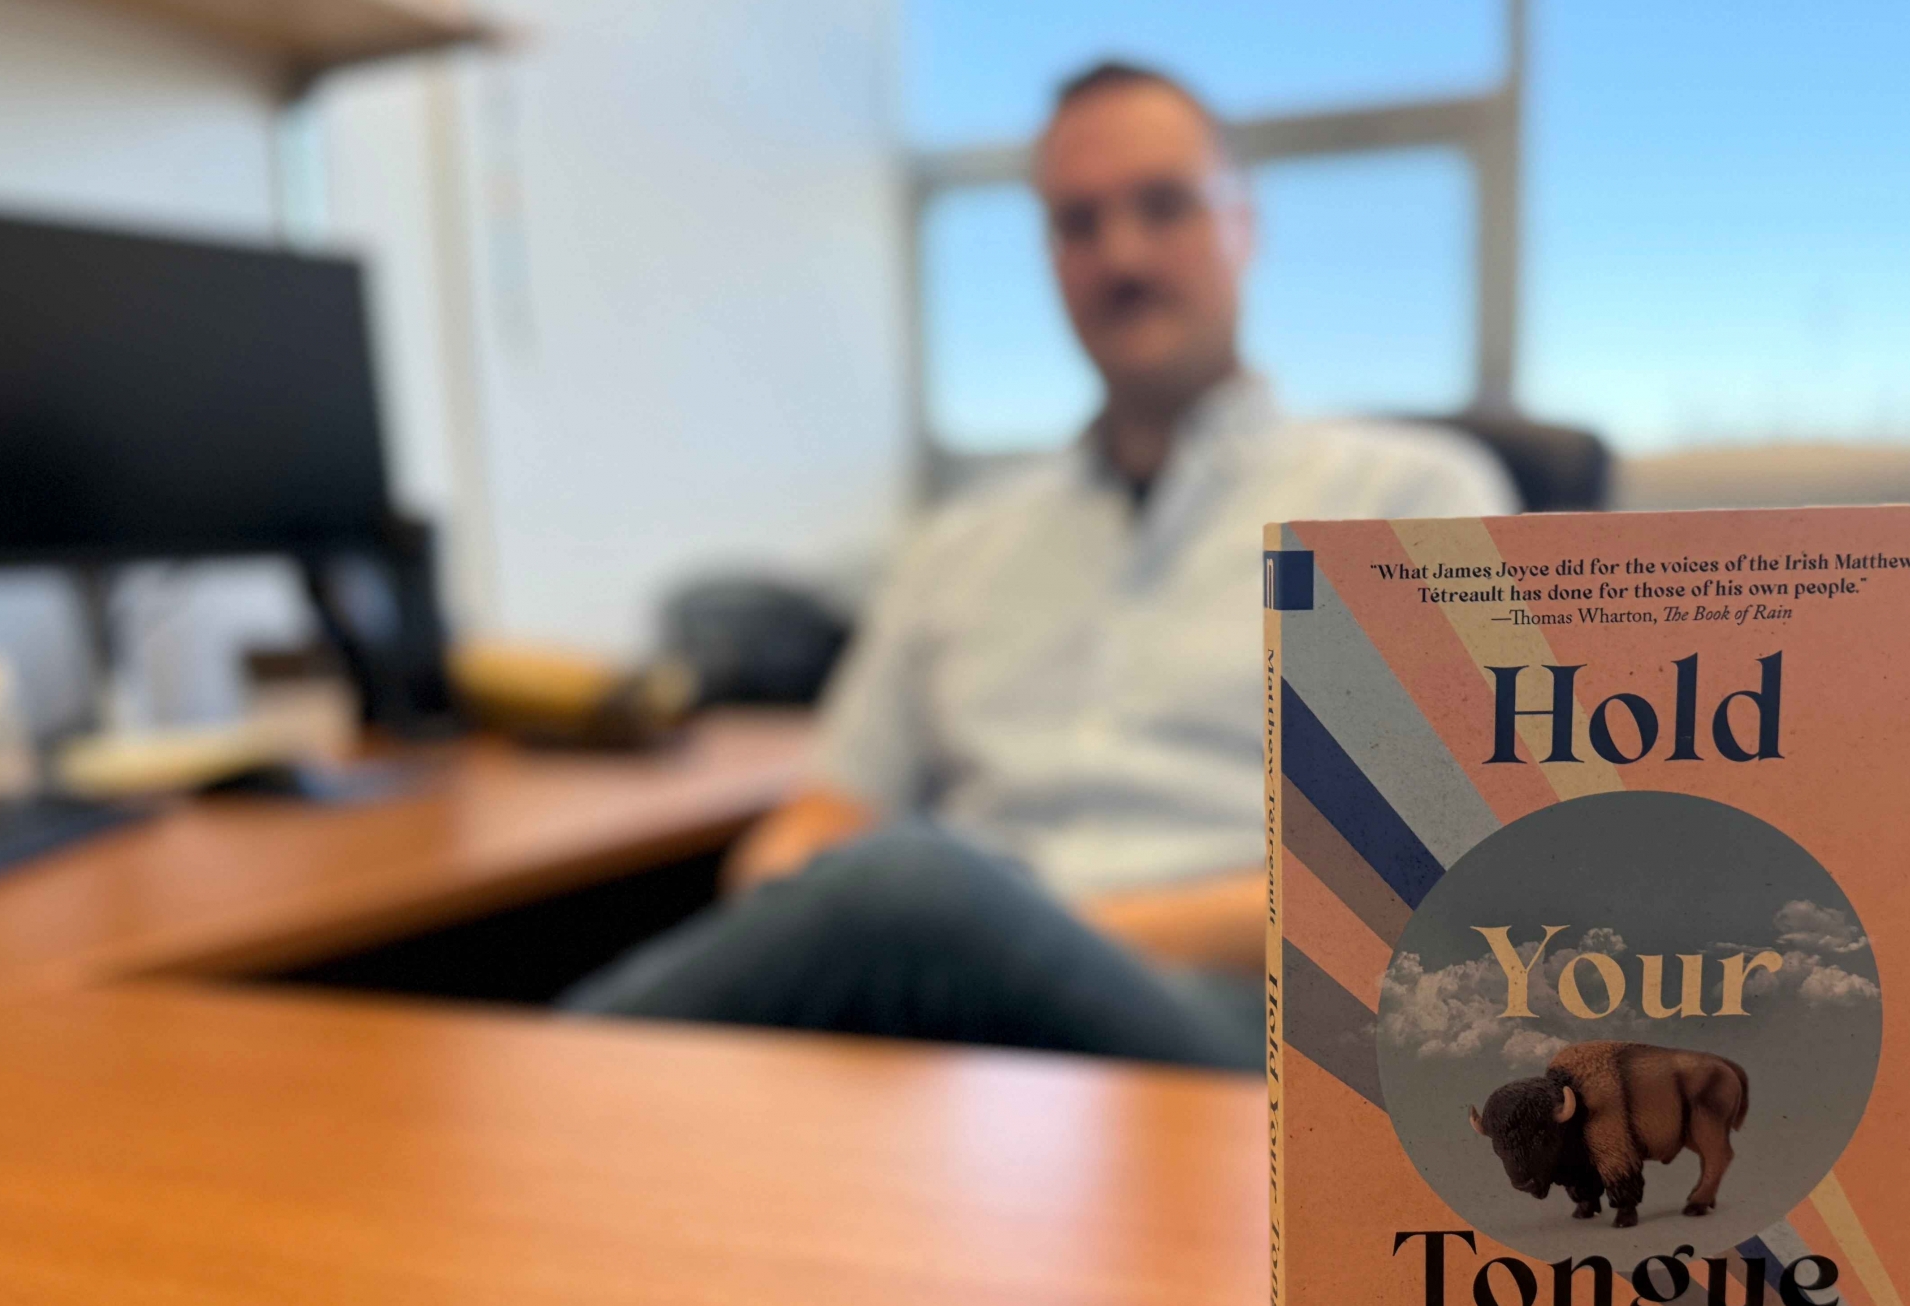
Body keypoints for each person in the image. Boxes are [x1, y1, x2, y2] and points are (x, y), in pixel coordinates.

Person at [561, 61, 1514, 1068]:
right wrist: (808, 890)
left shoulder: (1406, 501)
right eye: (1077, 223)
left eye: (1163, 205)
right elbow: (823, 810)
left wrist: (1022, 932)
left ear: (1245, 225)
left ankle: (518, 1111)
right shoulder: (958, 544)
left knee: (914, 891)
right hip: (953, 1035)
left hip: (1251, 1033)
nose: (1123, 255)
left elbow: (1429, 886)